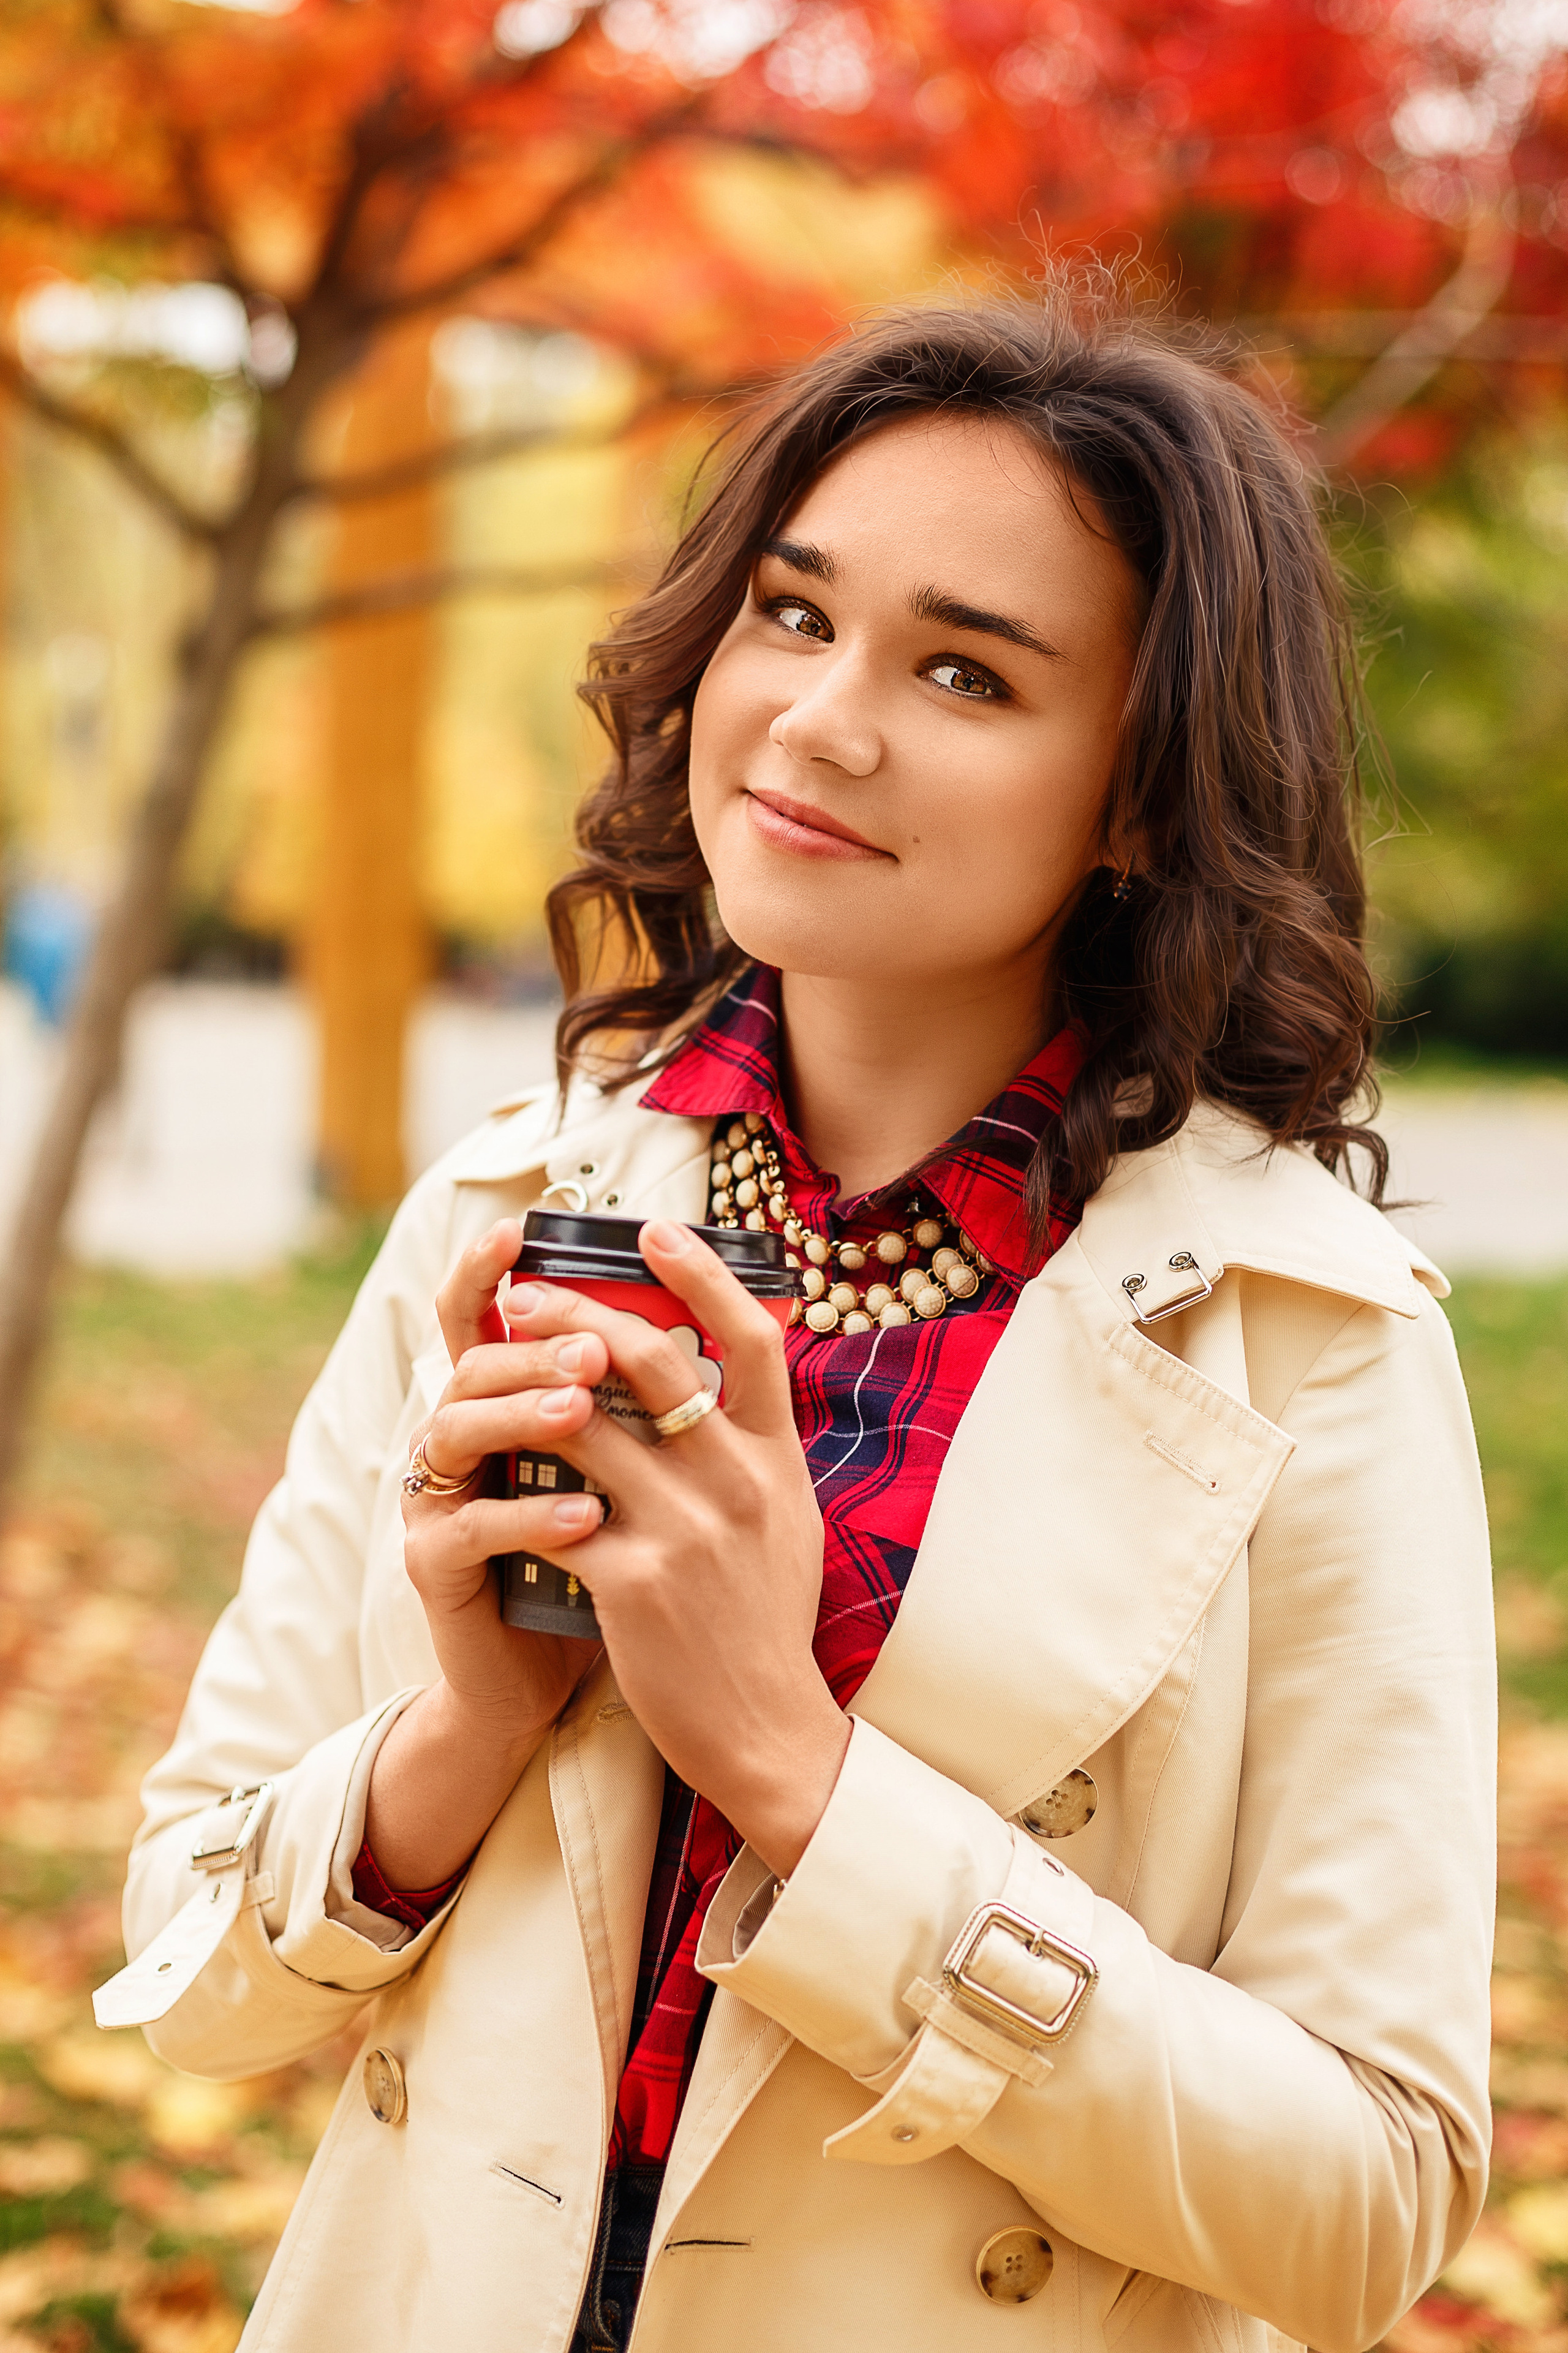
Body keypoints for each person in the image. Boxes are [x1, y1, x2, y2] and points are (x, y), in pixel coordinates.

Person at [98, 276, 1495, 2353]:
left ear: (1137, 793)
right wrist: (464, 1725)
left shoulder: (1301, 1340)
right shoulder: (519, 1207)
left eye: (966, 670)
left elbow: (1370, 2201)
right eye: (791, 611)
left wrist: (800, 1775)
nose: (824, 719)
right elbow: (192, 1977)